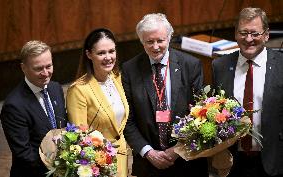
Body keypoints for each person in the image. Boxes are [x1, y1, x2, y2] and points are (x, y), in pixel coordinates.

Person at [122, 13, 208, 177]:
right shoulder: (129, 69)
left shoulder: (190, 65)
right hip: (148, 163)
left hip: (188, 159)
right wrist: (148, 152)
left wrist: (178, 149)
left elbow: (202, 113)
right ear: (141, 41)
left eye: (160, 40)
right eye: (149, 41)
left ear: (169, 38)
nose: (155, 47)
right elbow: (127, 119)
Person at [212, 7, 283, 177]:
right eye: (243, 33)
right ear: (235, 34)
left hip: (275, 159)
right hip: (233, 160)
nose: (248, 39)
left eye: (254, 33)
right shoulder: (220, 66)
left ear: (266, 35)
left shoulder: (281, 65)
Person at [66, 28, 129, 177]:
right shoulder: (78, 90)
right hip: (98, 166)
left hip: (122, 158)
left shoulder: (117, 78)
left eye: (111, 51)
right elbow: (80, 139)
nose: (108, 57)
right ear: (89, 54)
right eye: (101, 53)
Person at [0, 40, 67, 177]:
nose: (45, 73)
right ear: (23, 68)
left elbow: (62, 127)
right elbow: (24, 154)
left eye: (49, 66)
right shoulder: (14, 106)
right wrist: (58, 167)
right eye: (38, 68)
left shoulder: (55, 88)